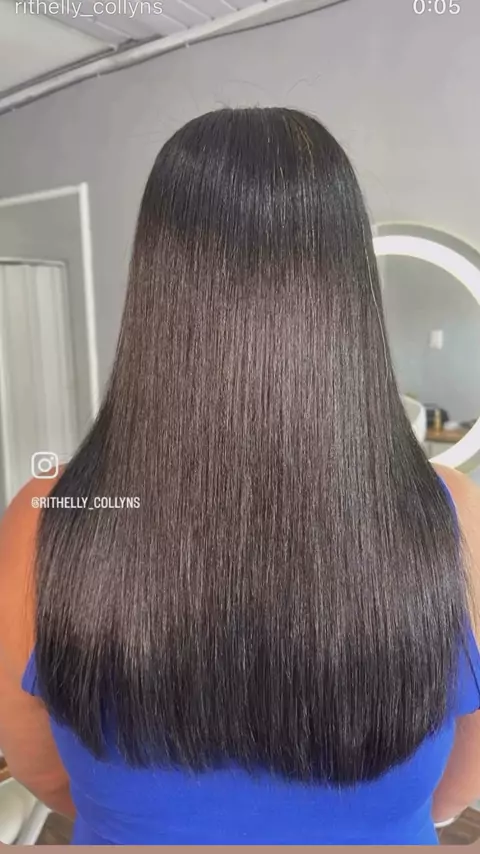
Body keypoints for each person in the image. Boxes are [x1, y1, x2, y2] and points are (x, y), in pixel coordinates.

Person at [1, 107, 480, 845]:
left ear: (158, 281)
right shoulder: (450, 513)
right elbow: (453, 788)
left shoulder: (48, 516)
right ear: (346, 288)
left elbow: (44, 771)